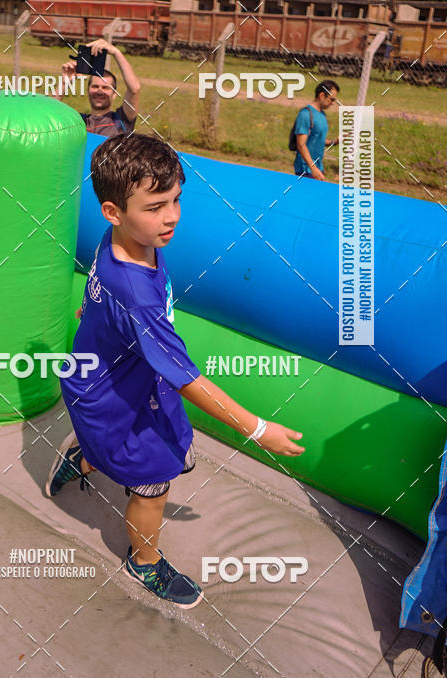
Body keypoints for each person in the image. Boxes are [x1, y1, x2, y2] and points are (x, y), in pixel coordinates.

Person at [47, 133, 305, 608]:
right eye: (155, 207)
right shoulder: (137, 296)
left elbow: (101, 289)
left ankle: (80, 456)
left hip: (118, 381)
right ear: (113, 211)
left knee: (146, 452)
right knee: (153, 487)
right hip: (115, 403)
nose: (171, 217)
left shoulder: (125, 239)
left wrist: (95, 314)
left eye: (175, 200)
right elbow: (186, 379)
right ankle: (144, 562)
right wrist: (257, 429)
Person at [61, 38, 141, 136]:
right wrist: (64, 83)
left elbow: (134, 89)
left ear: (114, 94)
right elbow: (48, 115)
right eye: (95, 86)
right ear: (87, 91)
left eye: (105, 88)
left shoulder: (122, 120)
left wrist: (116, 52)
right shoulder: (78, 122)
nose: (99, 91)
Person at [293, 80, 340, 181]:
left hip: (318, 168)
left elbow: (318, 139)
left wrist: (334, 141)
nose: (333, 103)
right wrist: (313, 168)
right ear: (322, 95)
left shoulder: (322, 115)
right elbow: (301, 144)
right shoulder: (305, 114)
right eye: (331, 99)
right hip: (305, 169)